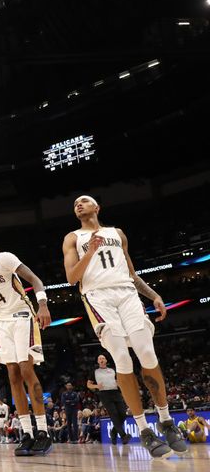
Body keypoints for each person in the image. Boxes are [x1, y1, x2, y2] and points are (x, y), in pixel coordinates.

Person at [63, 195, 187, 458]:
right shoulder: (73, 238)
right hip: (97, 297)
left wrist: (153, 295)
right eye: (75, 203)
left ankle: (166, 421)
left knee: (147, 353)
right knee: (121, 358)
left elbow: (131, 273)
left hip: (128, 293)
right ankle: (144, 429)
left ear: (97, 207)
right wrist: (92, 252)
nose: (79, 204)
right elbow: (72, 277)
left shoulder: (117, 233)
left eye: (84, 201)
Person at [0, 235, 54, 456]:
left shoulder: (4, 258)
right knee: (13, 375)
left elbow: (35, 280)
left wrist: (42, 304)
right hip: (2, 323)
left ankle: (43, 431)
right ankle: (27, 433)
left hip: (22, 315)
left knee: (26, 370)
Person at [87, 354, 131, 444]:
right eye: (99, 358)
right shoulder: (95, 372)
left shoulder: (112, 370)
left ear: (106, 360)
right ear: (98, 361)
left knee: (123, 414)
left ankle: (113, 432)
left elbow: (118, 381)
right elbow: (88, 384)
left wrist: (120, 385)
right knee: (114, 414)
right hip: (104, 394)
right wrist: (96, 386)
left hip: (115, 392)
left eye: (103, 358)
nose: (101, 359)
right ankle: (123, 436)